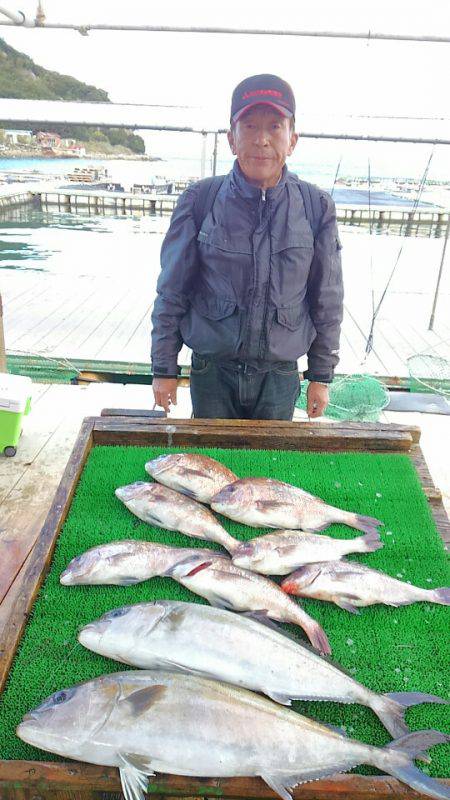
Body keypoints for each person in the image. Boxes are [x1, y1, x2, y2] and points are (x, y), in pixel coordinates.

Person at [151, 74, 343, 420]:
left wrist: (321, 375)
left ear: (292, 139)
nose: (262, 140)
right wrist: (164, 369)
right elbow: (172, 290)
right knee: (208, 466)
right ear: (231, 139)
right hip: (212, 373)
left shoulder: (317, 207)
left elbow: (326, 299)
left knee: (267, 468)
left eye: (274, 126)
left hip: (281, 376)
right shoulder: (199, 200)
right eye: (249, 126)